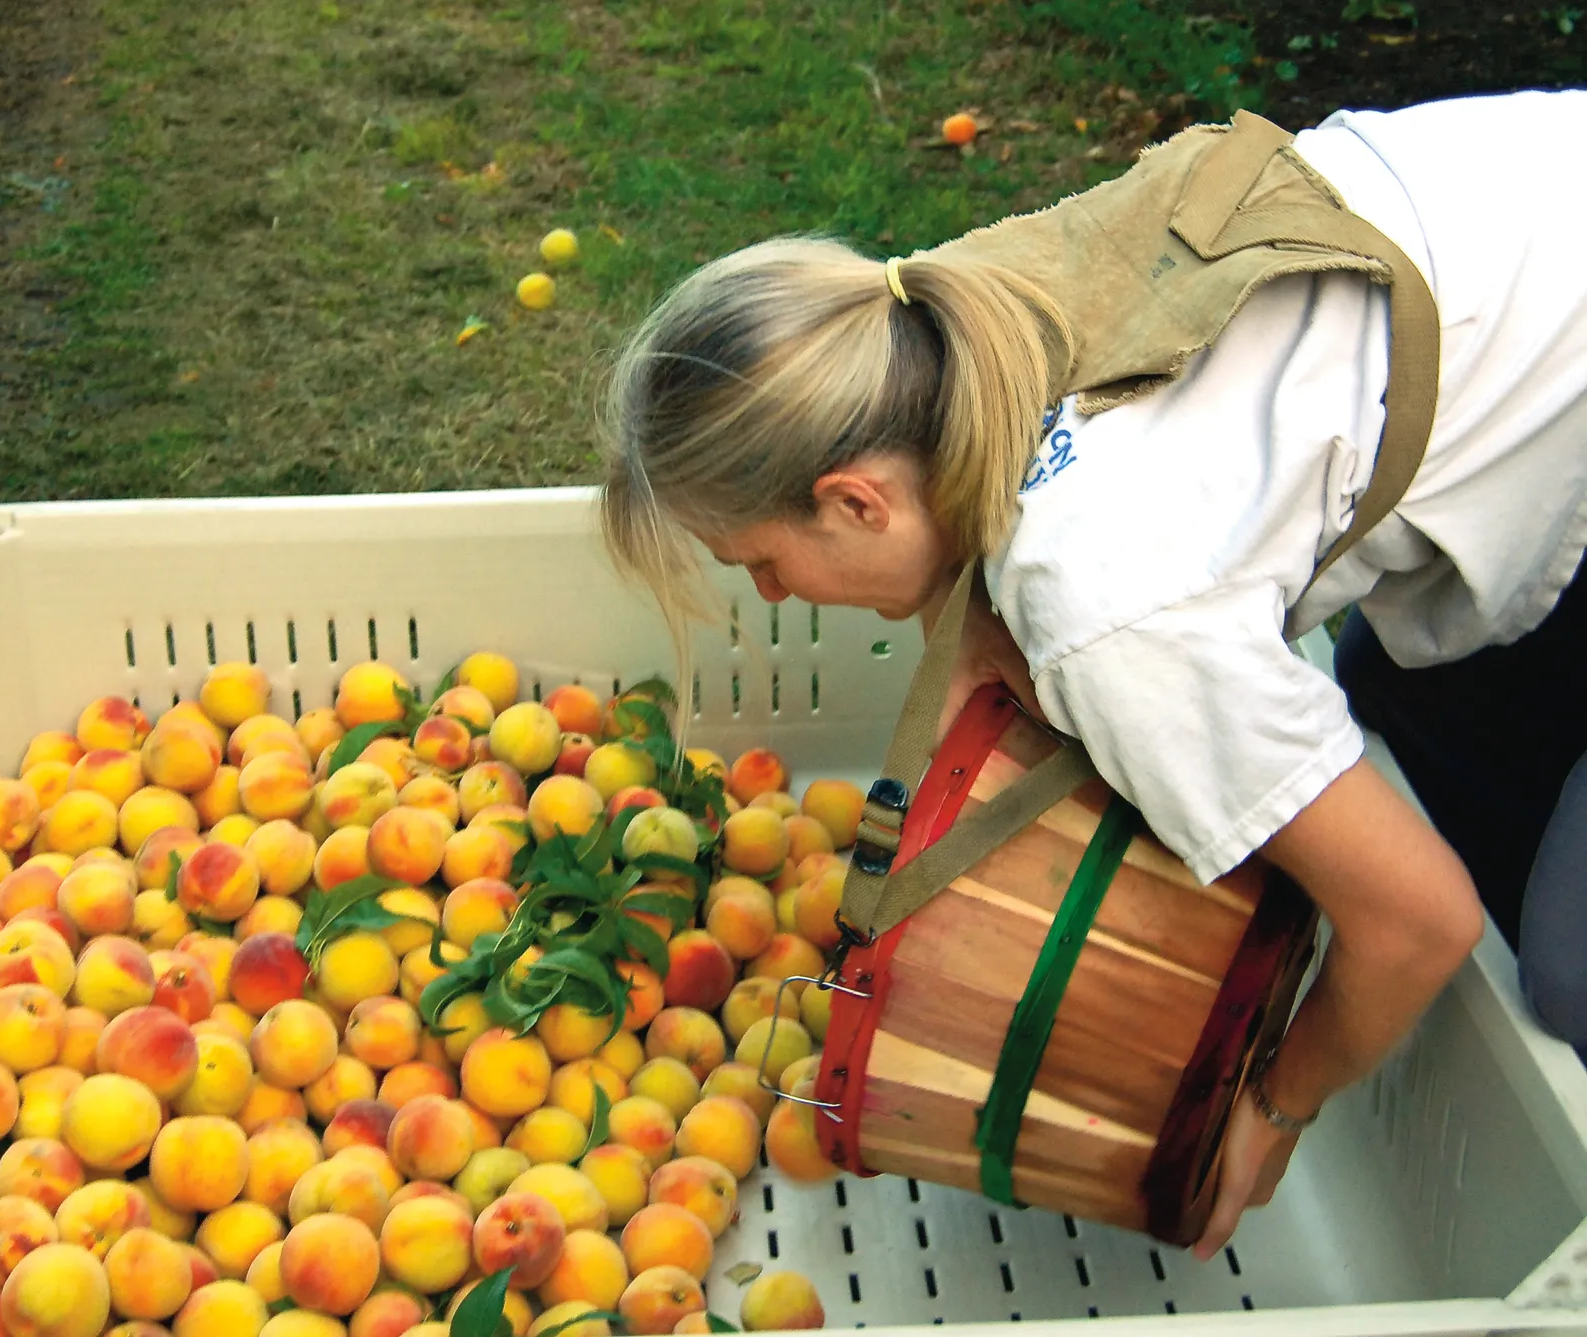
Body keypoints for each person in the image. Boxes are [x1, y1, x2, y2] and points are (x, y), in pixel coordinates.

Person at [596, 89, 1587, 1259]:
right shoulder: (933, 317)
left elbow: (1422, 922)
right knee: (1396, 703)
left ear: (855, 497)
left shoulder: (1109, 607)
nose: (770, 596)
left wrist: (1273, 1104)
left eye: (762, 562)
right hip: (1531, 219)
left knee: (1564, 969)